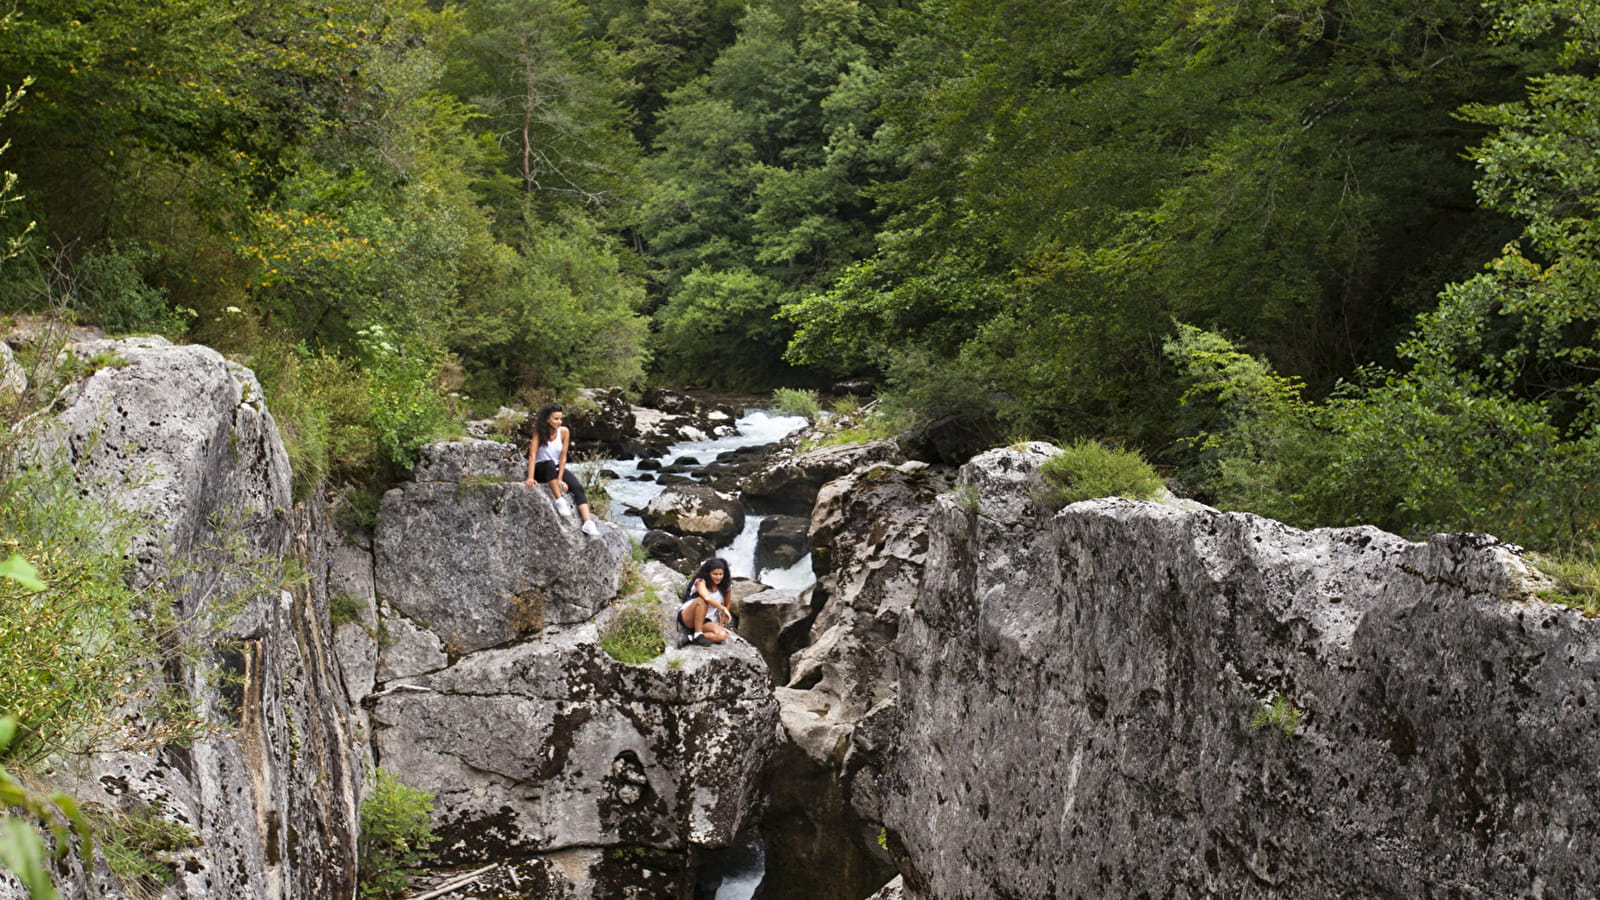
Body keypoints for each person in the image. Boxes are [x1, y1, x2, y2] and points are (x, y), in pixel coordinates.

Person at [524, 403, 601, 536]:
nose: (559, 422)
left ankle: (588, 523)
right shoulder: (539, 433)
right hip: (541, 468)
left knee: (577, 487)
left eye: (561, 419)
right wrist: (530, 477)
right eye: (556, 419)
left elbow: (563, 457)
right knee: (548, 464)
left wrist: (560, 479)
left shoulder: (564, 432)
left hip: (556, 468)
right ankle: (560, 500)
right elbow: (532, 455)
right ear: (547, 419)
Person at [678, 557, 734, 647]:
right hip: (689, 616)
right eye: (715, 574)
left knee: (722, 635)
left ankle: (690, 638)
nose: (718, 577)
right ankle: (698, 634)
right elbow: (706, 597)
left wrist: (720, 625)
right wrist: (722, 607)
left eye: (721, 574)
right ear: (708, 573)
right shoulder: (700, 581)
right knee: (702, 601)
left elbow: (727, 605)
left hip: (704, 620)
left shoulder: (726, 587)